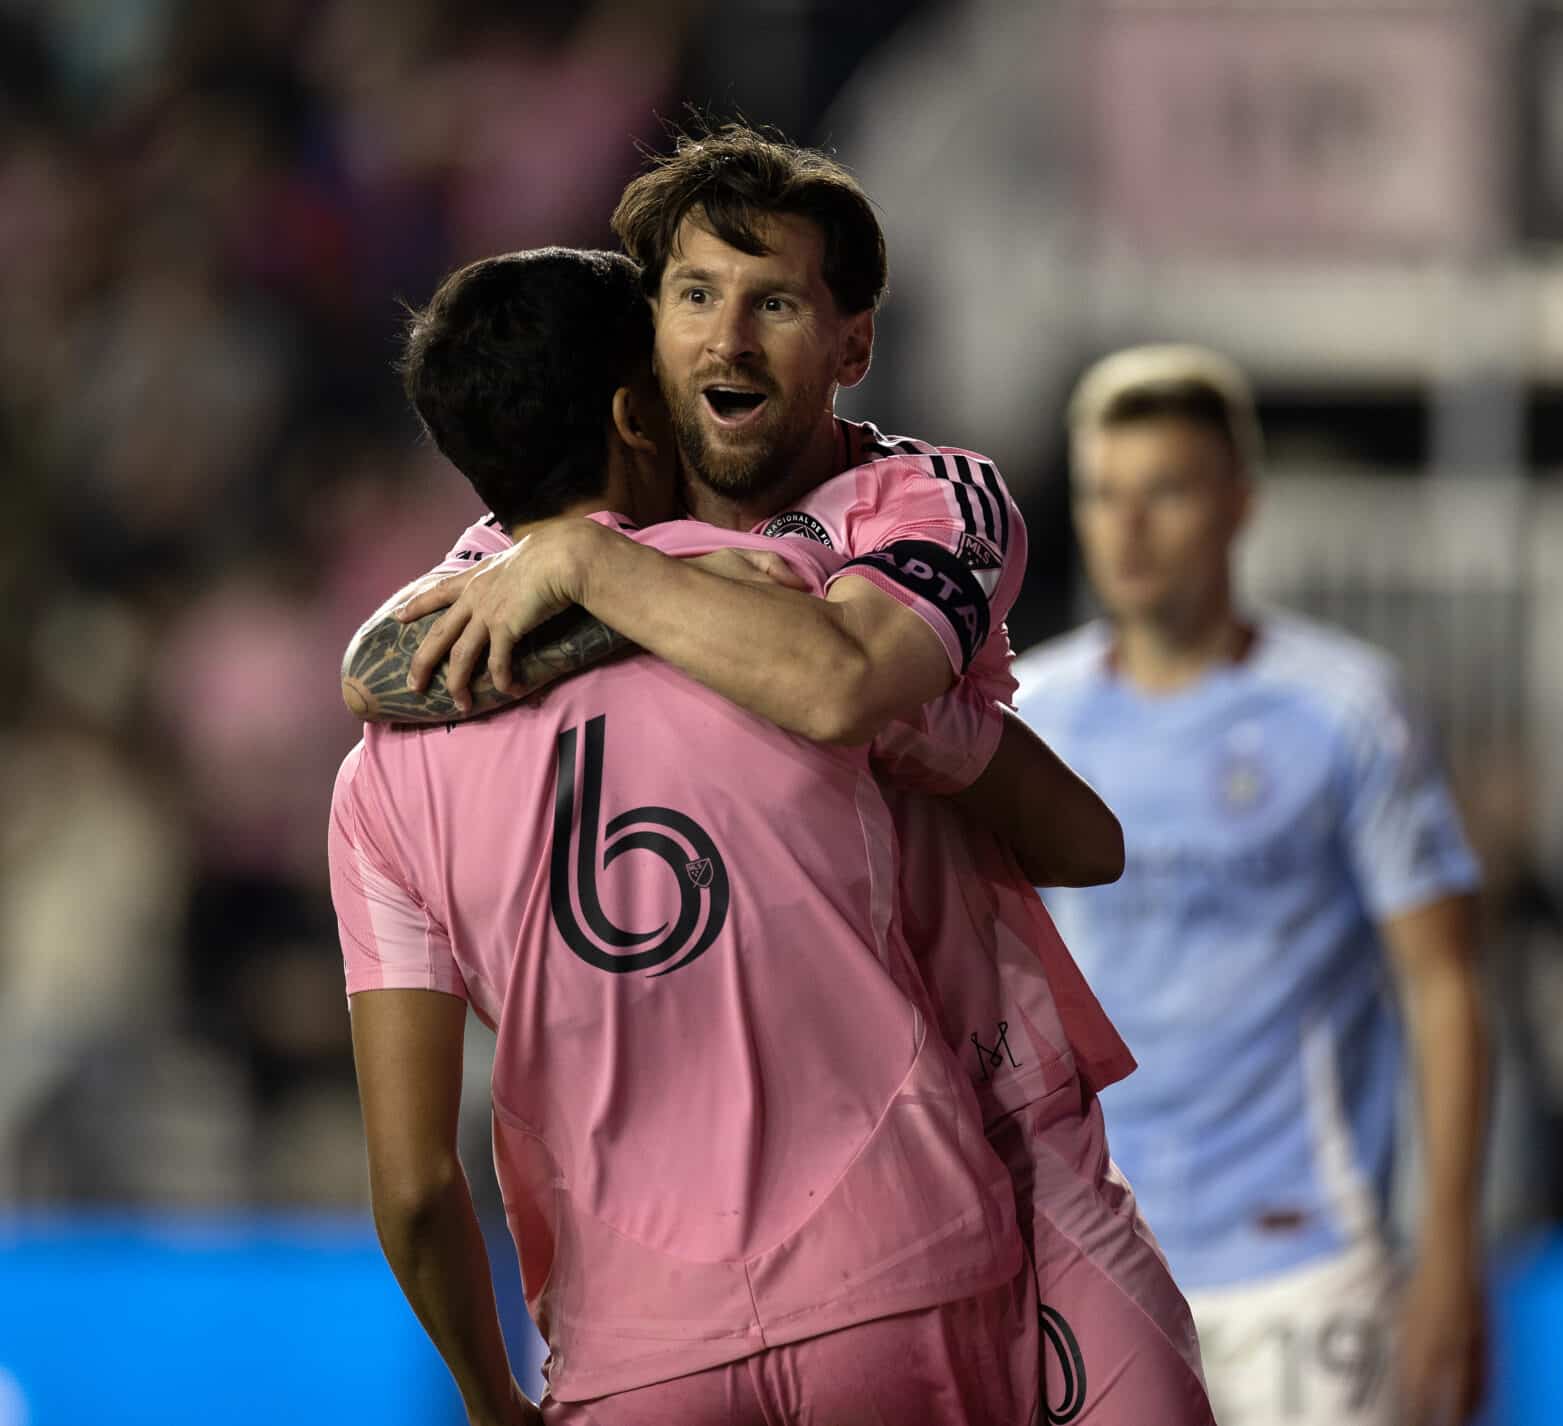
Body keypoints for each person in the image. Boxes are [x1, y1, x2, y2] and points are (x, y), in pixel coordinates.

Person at [342, 123, 1214, 1424]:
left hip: (1000, 1137)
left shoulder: (922, 505)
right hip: (830, 1237)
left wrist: (592, 574)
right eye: (694, 296)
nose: (729, 339)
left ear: (853, 343)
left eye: (777, 303)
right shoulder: (565, 532)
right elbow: (384, 660)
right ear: (646, 350)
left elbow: (846, 687)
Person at [1014, 345, 1492, 1426]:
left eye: (1166, 491)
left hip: (1304, 1261)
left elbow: (1443, 987)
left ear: (1239, 505)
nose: (1126, 526)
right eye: (1103, 493)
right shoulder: (1028, 721)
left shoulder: (1343, 709)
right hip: (1095, 1251)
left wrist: (1452, 1261)